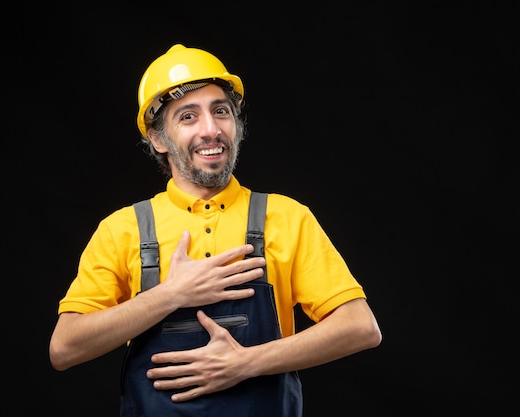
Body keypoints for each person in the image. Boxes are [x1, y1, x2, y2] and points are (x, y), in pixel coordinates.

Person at [49, 43, 382, 416]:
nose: (211, 130)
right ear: (159, 139)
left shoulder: (287, 218)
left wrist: (244, 363)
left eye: (220, 112)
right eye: (188, 117)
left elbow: (360, 327)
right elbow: (64, 349)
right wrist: (170, 295)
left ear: (236, 126)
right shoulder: (122, 230)